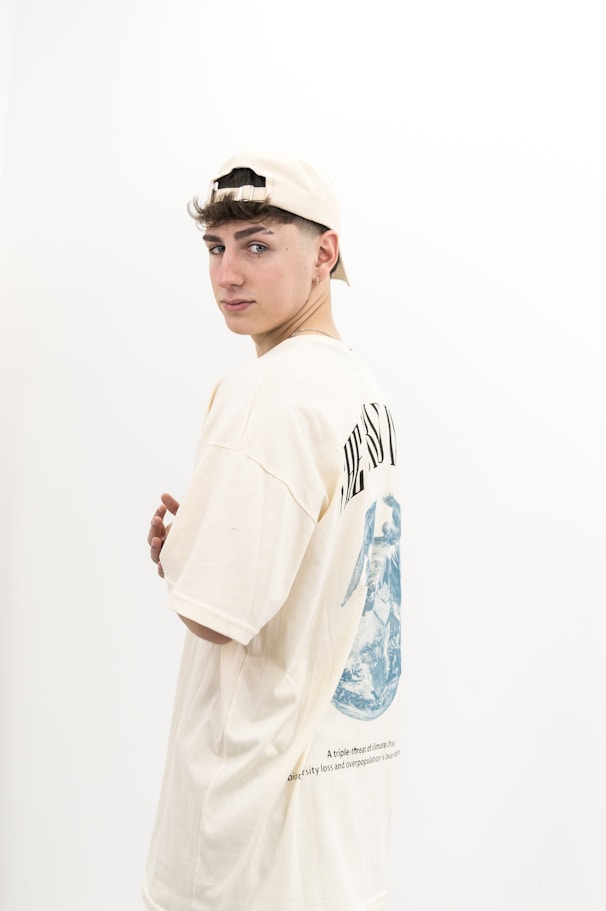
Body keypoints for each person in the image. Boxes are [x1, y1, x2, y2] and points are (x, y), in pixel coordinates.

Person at [143, 151, 402, 911]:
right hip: (340, 831)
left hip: (247, 847)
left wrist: (183, 555)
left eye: (257, 245)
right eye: (216, 248)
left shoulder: (267, 392)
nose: (228, 274)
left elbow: (213, 612)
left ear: (325, 252)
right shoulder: (362, 391)